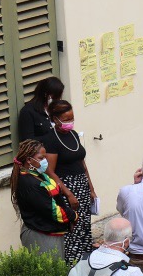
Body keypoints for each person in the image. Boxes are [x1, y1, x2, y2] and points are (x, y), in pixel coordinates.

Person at [39, 100, 98, 263]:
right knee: (73, 226)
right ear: (55, 119)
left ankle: (86, 259)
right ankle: (73, 261)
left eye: (71, 118)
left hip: (82, 184)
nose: (69, 123)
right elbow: (49, 170)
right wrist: (68, 193)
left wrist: (91, 188)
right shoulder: (51, 139)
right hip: (66, 186)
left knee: (85, 224)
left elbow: (82, 162)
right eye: (66, 119)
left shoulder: (73, 135)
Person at [10, 138, 76, 255]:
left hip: (51, 233)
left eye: (45, 157)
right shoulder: (30, 184)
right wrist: (73, 215)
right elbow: (53, 211)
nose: (45, 161)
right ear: (29, 160)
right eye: (41, 158)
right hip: (42, 236)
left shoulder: (39, 175)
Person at [18, 76, 63, 141]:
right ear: (46, 95)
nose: (58, 100)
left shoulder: (56, 108)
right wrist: (51, 137)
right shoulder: (28, 112)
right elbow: (28, 141)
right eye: (56, 97)